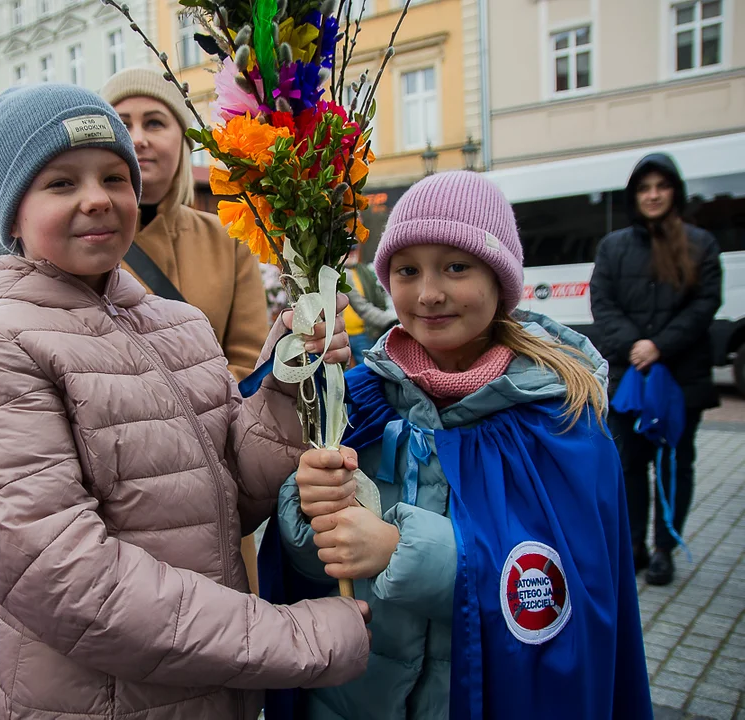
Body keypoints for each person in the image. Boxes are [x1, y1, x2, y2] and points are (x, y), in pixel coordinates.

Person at [0, 84, 371, 719]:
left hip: (210, 690)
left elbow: (230, 494)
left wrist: (287, 380)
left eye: (114, 176)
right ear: (13, 213)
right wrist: (295, 638)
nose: (97, 198)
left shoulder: (178, 324)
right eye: (60, 183)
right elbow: (74, 584)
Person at [269, 172, 651, 719]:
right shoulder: (357, 403)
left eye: (456, 266)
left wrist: (398, 551)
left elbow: (566, 590)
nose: (428, 293)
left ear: (500, 281)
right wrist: (309, 512)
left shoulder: (560, 419)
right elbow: (310, 573)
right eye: (407, 270)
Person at [102, 66, 272, 590]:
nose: (139, 137)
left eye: (156, 122)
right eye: (123, 121)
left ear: (181, 140)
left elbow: (251, 359)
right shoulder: (81, 241)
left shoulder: (229, 237)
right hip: (116, 490)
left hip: (211, 480)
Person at [590, 153, 722, 586]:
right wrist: (633, 347)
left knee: (674, 462)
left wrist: (659, 346)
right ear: (634, 195)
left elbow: (705, 305)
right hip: (629, 379)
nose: (652, 195)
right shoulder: (613, 248)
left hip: (680, 379)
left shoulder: (700, 244)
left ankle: (665, 546)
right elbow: (603, 305)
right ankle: (634, 547)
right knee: (629, 465)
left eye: (661, 186)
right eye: (644, 188)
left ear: (674, 192)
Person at [343, 245, 396, 363]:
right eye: (347, 249)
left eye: (353, 249)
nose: (351, 253)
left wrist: (390, 320)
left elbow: (365, 306)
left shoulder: (365, 271)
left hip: (362, 333)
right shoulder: (337, 274)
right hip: (340, 334)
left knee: (367, 367)